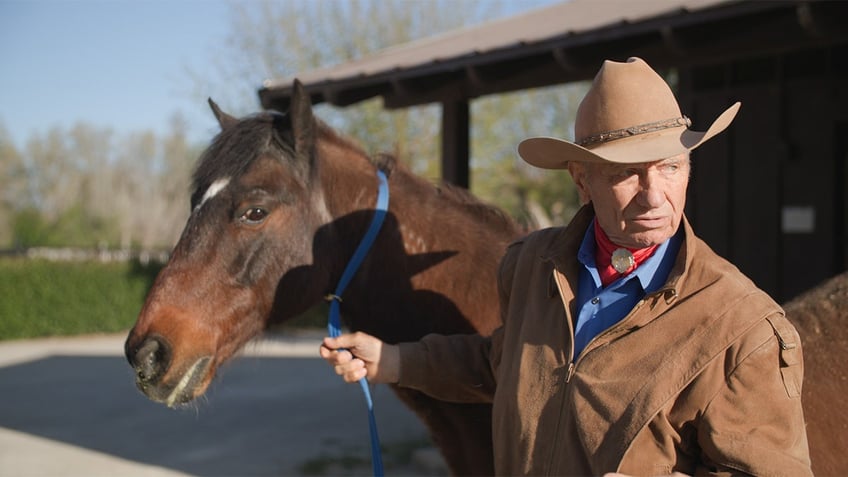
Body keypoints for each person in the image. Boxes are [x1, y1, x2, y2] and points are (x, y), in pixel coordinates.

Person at [320, 57, 812, 476]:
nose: (654, 194)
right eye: (626, 173)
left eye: (671, 167)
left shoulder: (744, 330)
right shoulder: (531, 265)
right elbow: (504, 364)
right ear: (582, 179)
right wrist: (394, 361)